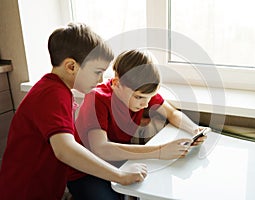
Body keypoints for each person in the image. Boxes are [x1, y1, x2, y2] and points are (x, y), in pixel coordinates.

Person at [0, 23, 147, 200]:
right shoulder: (52, 94)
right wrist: (120, 176)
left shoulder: (56, 90)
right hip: (24, 192)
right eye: (97, 72)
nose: (101, 80)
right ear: (71, 66)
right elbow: (65, 150)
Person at [67, 49, 208, 199]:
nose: (146, 104)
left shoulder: (143, 93)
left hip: (117, 164)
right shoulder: (97, 98)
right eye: (139, 97)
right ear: (116, 83)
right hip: (85, 171)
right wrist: (159, 151)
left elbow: (172, 113)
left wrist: (194, 128)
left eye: (150, 97)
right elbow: (101, 149)